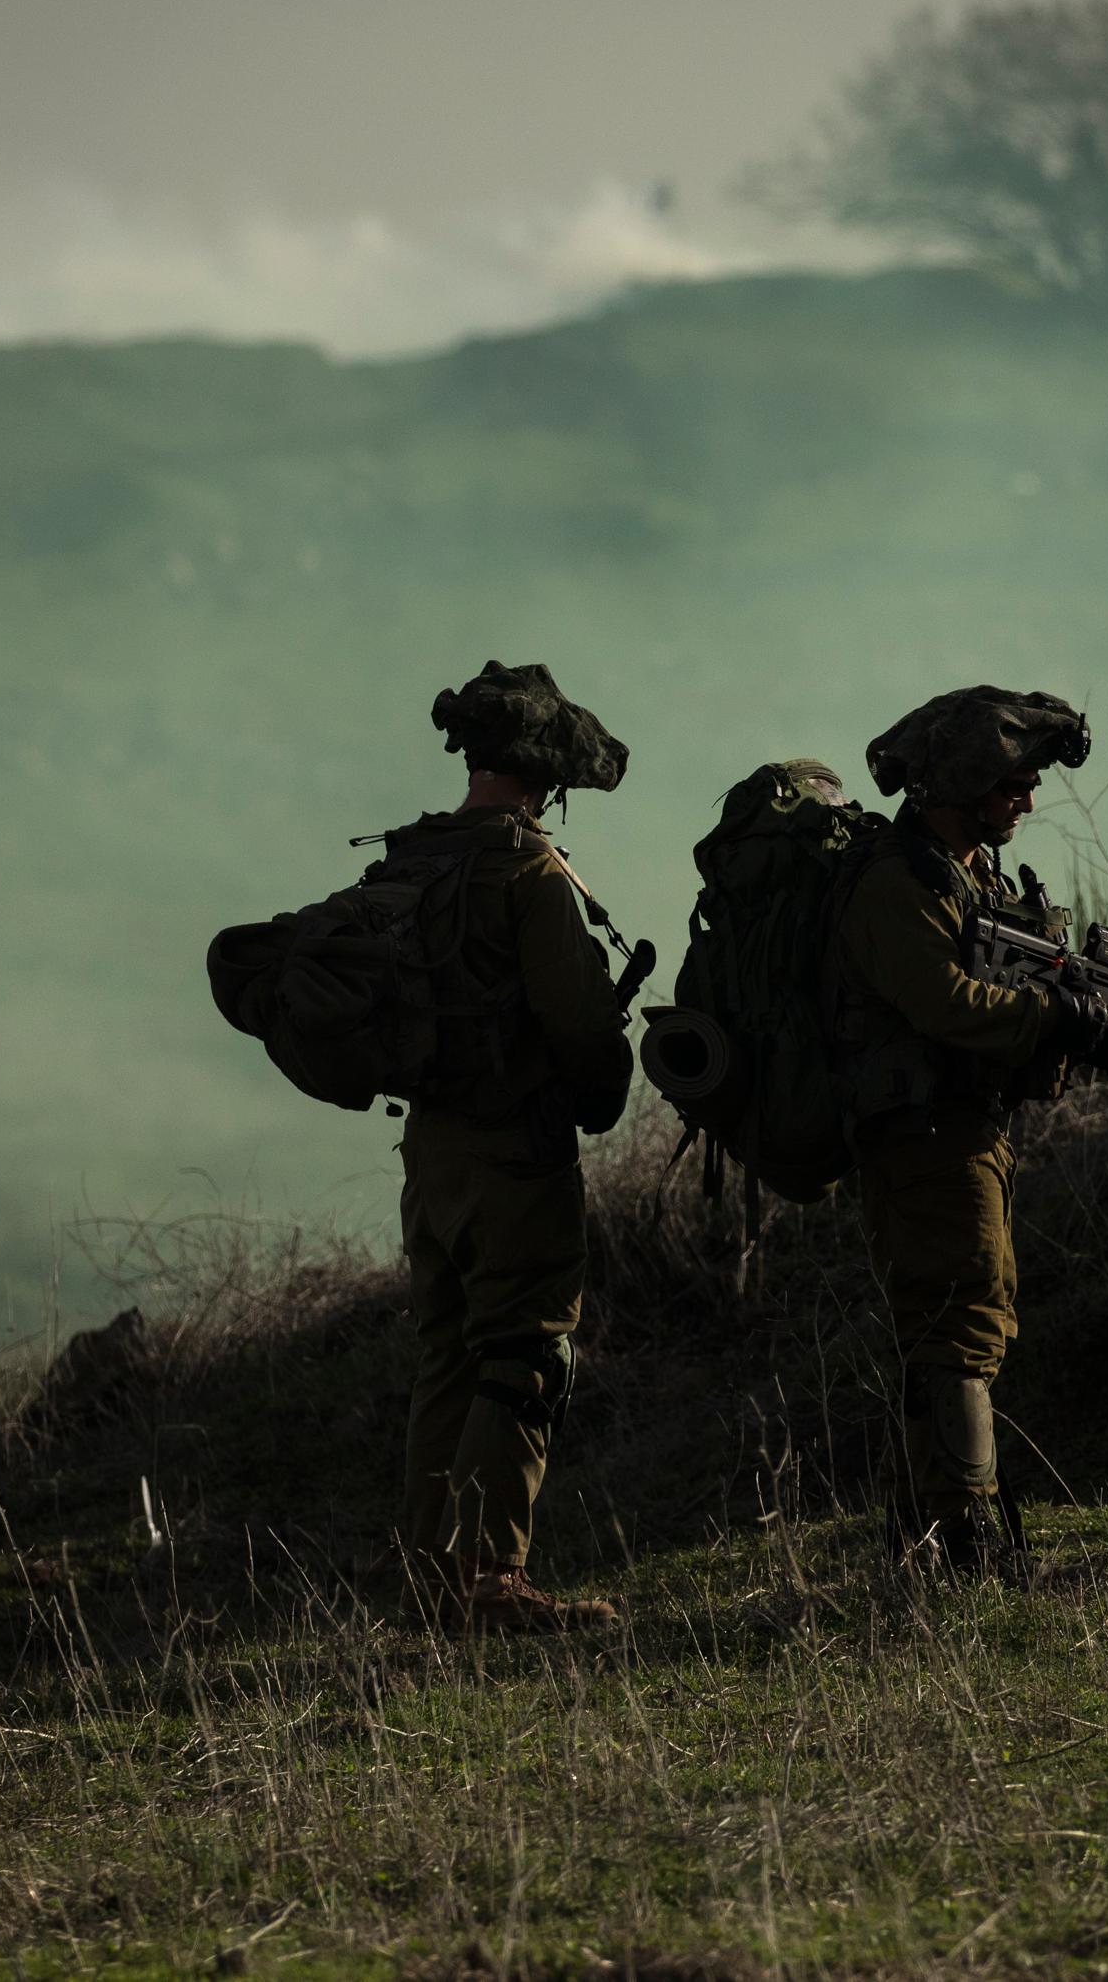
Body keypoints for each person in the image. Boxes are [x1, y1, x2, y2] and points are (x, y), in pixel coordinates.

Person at [829, 686, 1108, 1578]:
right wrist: (1056, 1021)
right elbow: (944, 1002)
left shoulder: (967, 876)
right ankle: (968, 1536)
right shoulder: (899, 882)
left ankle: (926, 1531)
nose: (1029, 797)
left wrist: (1093, 1033)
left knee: (965, 1324)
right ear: (966, 781)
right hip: (922, 1139)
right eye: (1015, 780)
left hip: (968, 1132)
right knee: (960, 1328)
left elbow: (1006, 997)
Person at [390, 661, 638, 1632]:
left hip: (429, 1156)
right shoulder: (529, 873)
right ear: (549, 777)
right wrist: (602, 1089)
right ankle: (490, 1581)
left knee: (447, 1361)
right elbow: (578, 1022)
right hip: (514, 1159)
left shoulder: (413, 861)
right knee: (525, 1357)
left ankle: (429, 1580)